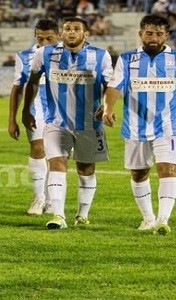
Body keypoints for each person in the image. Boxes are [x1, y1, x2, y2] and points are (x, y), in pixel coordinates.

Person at [103, 14, 176, 235]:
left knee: (167, 169)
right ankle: (147, 218)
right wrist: (108, 108)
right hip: (135, 126)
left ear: (166, 35)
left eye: (159, 34)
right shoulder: (127, 59)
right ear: (140, 34)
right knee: (139, 174)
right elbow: (114, 86)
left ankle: (162, 220)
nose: (153, 38)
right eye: (149, 33)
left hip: (170, 126)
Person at [25, 17, 113, 229]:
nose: (71, 32)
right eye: (67, 29)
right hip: (56, 122)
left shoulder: (100, 56)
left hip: (89, 124)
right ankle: (58, 215)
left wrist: (108, 106)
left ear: (86, 34)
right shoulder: (44, 53)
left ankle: (82, 214)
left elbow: (111, 85)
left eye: (76, 29)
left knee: (86, 170)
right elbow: (32, 82)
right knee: (57, 164)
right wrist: (25, 109)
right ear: (61, 33)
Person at [8, 18, 59, 216]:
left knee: (56, 155)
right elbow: (17, 87)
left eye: (49, 39)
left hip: (61, 108)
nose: (44, 43)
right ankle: (39, 198)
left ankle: (52, 199)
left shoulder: (69, 55)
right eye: (40, 39)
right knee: (37, 148)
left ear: (58, 36)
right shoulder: (24, 56)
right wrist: (12, 118)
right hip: (35, 107)